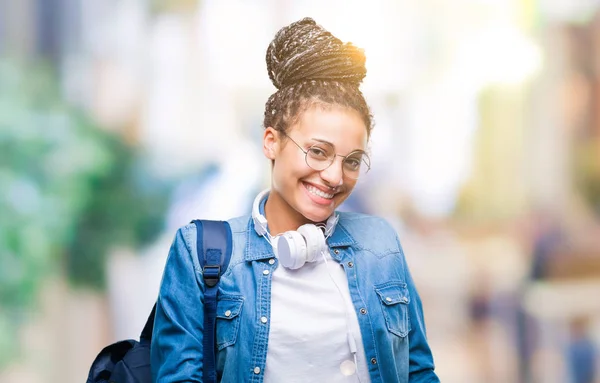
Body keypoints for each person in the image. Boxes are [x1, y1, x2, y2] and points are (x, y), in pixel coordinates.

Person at [151, 17, 439, 383]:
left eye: (351, 161)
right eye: (318, 152)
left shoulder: (380, 244)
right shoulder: (201, 252)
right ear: (271, 141)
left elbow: (419, 372)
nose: (335, 177)